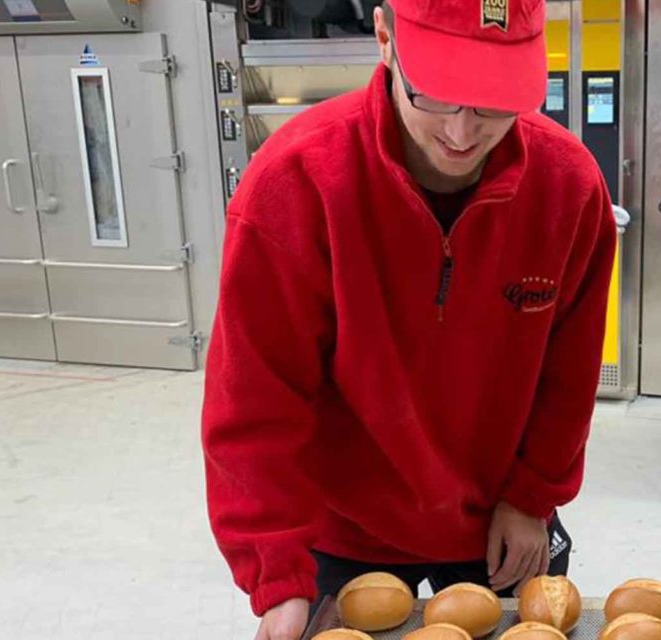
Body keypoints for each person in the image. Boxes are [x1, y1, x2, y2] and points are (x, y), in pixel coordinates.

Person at [201, 0, 616, 637]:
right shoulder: (296, 183)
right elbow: (255, 400)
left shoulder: (569, 187)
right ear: (386, 38)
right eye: (437, 96)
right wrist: (275, 573)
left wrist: (534, 497)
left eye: (495, 103)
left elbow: (569, 374)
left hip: (500, 516)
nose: (461, 133)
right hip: (339, 523)